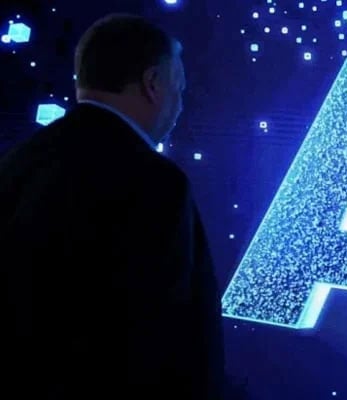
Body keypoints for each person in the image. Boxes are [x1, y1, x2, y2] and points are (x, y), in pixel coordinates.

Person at [0, 14, 225, 399]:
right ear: (152, 84)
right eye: (179, 90)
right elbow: (168, 335)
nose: (180, 106)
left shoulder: (17, 162)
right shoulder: (154, 182)